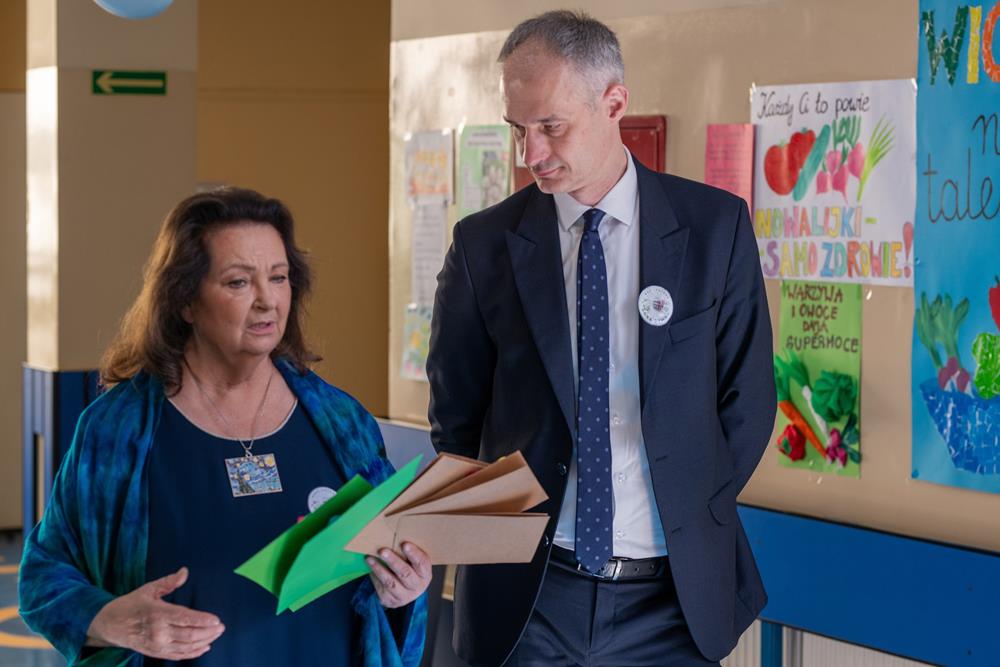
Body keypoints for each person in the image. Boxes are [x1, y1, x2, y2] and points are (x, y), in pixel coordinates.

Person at [427, 11, 775, 667]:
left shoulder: (714, 228)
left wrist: (687, 508)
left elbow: (747, 401)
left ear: (614, 103)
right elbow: (457, 422)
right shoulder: (483, 246)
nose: (530, 154)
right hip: (528, 601)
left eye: (550, 126)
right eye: (518, 129)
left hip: (672, 605)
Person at [19, 187, 431, 666]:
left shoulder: (343, 423)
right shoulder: (118, 432)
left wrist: (403, 590)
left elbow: (386, 580)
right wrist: (112, 619)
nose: (267, 301)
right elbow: (42, 577)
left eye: (278, 278)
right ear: (185, 300)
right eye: (238, 282)